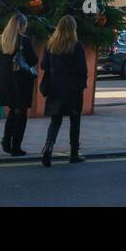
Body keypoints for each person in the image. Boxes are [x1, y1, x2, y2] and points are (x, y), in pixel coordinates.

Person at [40, 15, 88, 167]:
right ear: (73, 28)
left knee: (55, 120)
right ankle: (74, 153)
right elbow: (82, 69)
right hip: (73, 89)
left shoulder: (51, 45)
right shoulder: (76, 45)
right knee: (75, 121)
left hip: (55, 87)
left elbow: (43, 65)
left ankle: (48, 147)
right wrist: (81, 85)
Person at [0, 12, 38, 157]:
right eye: (24, 26)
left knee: (12, 111)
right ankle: (16, 146)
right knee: (21, 114)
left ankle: (6, 141)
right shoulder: (24, 41)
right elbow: (32, 60)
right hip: (21, 81)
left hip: (5, 81)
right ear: (21, 25)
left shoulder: (0, 40)